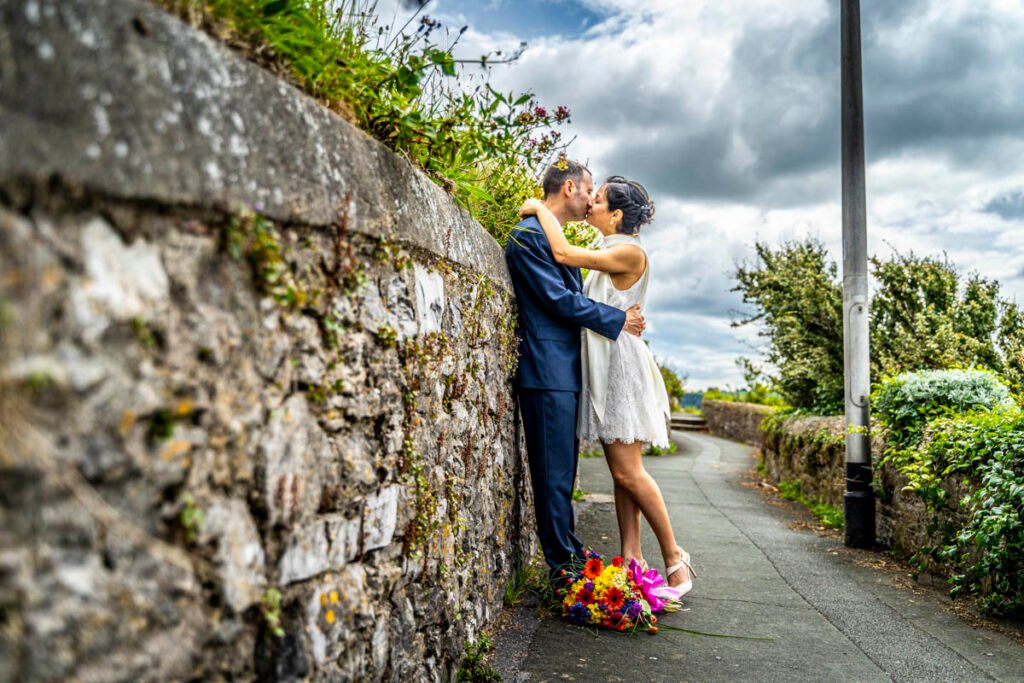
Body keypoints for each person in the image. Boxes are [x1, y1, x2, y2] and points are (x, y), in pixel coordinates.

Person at [519, 175, 695, 594]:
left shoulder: (629, 252)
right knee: (621, 473)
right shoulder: (608, 249)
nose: (590, 204)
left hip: (618, 365)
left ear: (615, 214)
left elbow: (560, 253)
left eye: (597, 201)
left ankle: (675, 558)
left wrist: (541, 208)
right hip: (604, 359)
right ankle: (633, 559)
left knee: (628, 471)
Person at [505, 159, 646, 579]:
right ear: (569, 188)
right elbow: (558, 300)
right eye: (589, 191)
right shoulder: (529, 236)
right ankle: (564, 569)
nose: (590, 202)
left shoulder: (551, 234)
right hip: (547, 371)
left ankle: (570, 556)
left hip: (563, 372)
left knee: (561, 475)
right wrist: (617, 320)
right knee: (552, 476)